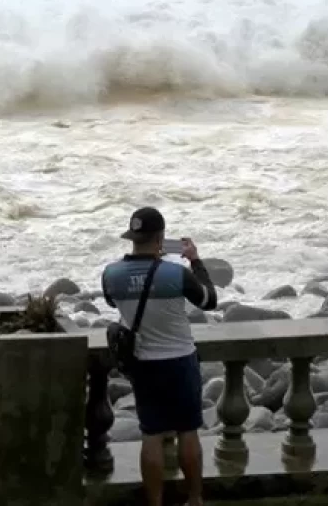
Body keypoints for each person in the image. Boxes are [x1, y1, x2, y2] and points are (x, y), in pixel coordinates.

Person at [101, 206, 218, 506]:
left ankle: (155, 502)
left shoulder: (111, 275)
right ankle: (194, 499)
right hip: (180, 361)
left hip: (143, 364)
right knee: (187, 431)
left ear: (132, 237)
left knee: (151, 434)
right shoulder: (175, 274)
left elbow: (113, 302)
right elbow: (209, 300)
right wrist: (194, 259)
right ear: (161, 239)